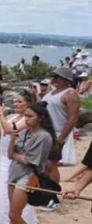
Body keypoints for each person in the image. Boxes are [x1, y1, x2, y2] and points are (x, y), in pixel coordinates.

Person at [0, 102, 57, 224]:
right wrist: (14, 142)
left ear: (40, 118)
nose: (26, 119)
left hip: (28, 176)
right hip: (15, 172)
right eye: (26, 116)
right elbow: (10, 154)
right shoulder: (25, 133)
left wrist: (16, 155)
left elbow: (30, 160)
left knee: (14, 214)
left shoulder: (43, 136)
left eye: (30, 116)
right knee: (14, 213)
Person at [0, 91, 39, 224]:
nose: (16, 104)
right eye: (16, 102)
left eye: (20, 101)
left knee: (12, 190)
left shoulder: (27, 120)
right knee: (0, 189)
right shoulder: (13, 117)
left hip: (14, 158)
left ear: (28, 103)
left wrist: (1, 115)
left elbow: (10, 130)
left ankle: (16, 221)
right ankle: (1, 221)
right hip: (3, 157)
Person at [41, 67, 80, 212]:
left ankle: (53, 196)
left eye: (57, 77)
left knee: (51, 165)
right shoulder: (51, 92)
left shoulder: (70, 94)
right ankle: (45, 193)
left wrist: (61, 139)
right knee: (44, 165)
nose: (54, 79)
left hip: (57, 132)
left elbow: (72, 118)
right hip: (45, 132)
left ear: (65, 79)